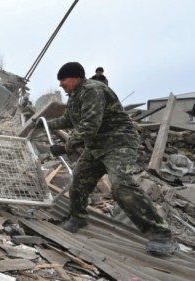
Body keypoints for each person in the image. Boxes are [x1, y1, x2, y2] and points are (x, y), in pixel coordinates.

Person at [43, 62, 178, 255]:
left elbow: (90, 125)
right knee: (78, 181)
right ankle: (78, 218)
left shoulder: (93, 90)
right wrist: (43, 124)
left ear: (75, 77)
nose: (60, 84)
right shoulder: (74, 97)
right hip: (96, 147)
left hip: (119, 143)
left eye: (63, 80)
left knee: (121, 185)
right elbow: (68, 120)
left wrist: (65, 146)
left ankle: (161, 234)